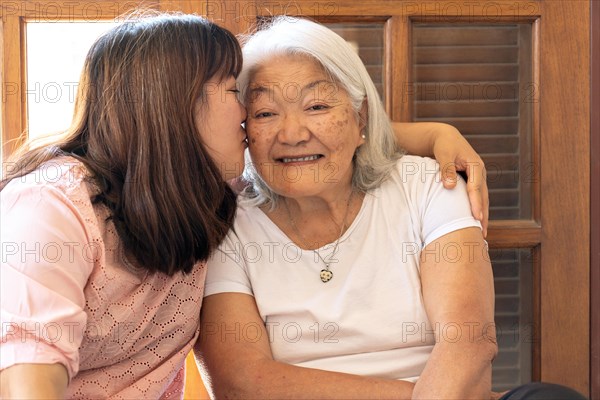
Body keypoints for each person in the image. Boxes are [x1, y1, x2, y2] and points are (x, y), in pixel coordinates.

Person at [0, 12, 489, 399]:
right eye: (247, 100)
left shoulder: (200, 196)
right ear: (175, 108)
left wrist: (435, 133)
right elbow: (28, 371)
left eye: (316, 106)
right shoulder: (57, 208)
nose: (259, 123)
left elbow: (320, 145)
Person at [197, 17, 586, 400]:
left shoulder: (428, 184)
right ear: (246, 128)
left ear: (360, 115)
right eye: (266, 113)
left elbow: (467, 340)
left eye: (316, 106)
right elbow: (243, 381)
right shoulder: (227, 221)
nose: (293, 134)